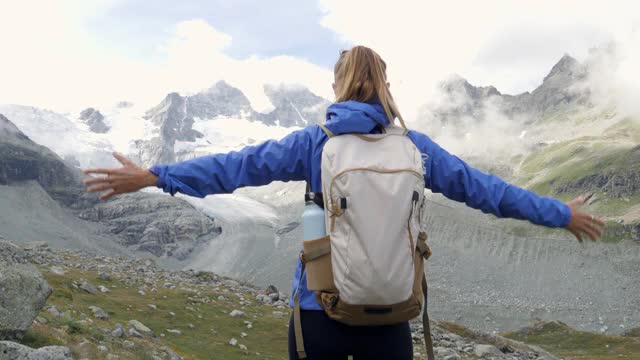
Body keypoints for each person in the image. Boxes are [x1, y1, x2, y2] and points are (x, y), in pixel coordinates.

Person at [83, 46, 605, 360]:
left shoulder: (314, 144)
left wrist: (156, 175)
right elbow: (490, 192)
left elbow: (233, 167)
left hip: (319, 316)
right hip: (392, 319)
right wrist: (562, 213)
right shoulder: (415, 149)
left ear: (338, 86)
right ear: (385, 88)